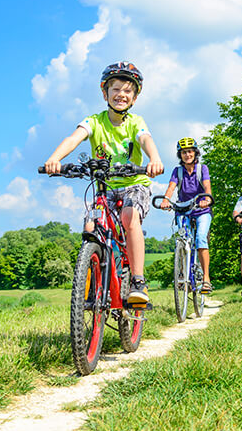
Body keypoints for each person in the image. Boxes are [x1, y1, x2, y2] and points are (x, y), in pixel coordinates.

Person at [44, 61, 164, 304]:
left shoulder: (135, 122)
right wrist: (55, 158)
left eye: (128, 90)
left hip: (134, 184)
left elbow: (146, 139)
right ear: (104, 93)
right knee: (90, 226)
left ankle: (138, 280)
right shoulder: (94, 121)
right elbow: (74, 138)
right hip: (104, 185)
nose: (121, 94)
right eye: (116, 88)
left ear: (134, 97)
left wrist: (155, 158)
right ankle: (90, 282)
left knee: (130, 218)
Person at [160, 137, 213, 293]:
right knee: (183, 239)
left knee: (200, 238)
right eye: (184, 152)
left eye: (190, 151)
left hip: (201, 209)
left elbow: (207, 186)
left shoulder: (202, 169)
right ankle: (183, 274)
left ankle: (206, 279)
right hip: (183, 209)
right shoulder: (178, 171)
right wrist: (165, 200)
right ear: (180, 155)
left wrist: (206, 199)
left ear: (195, 153)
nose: (187, 154)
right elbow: (171, 187)